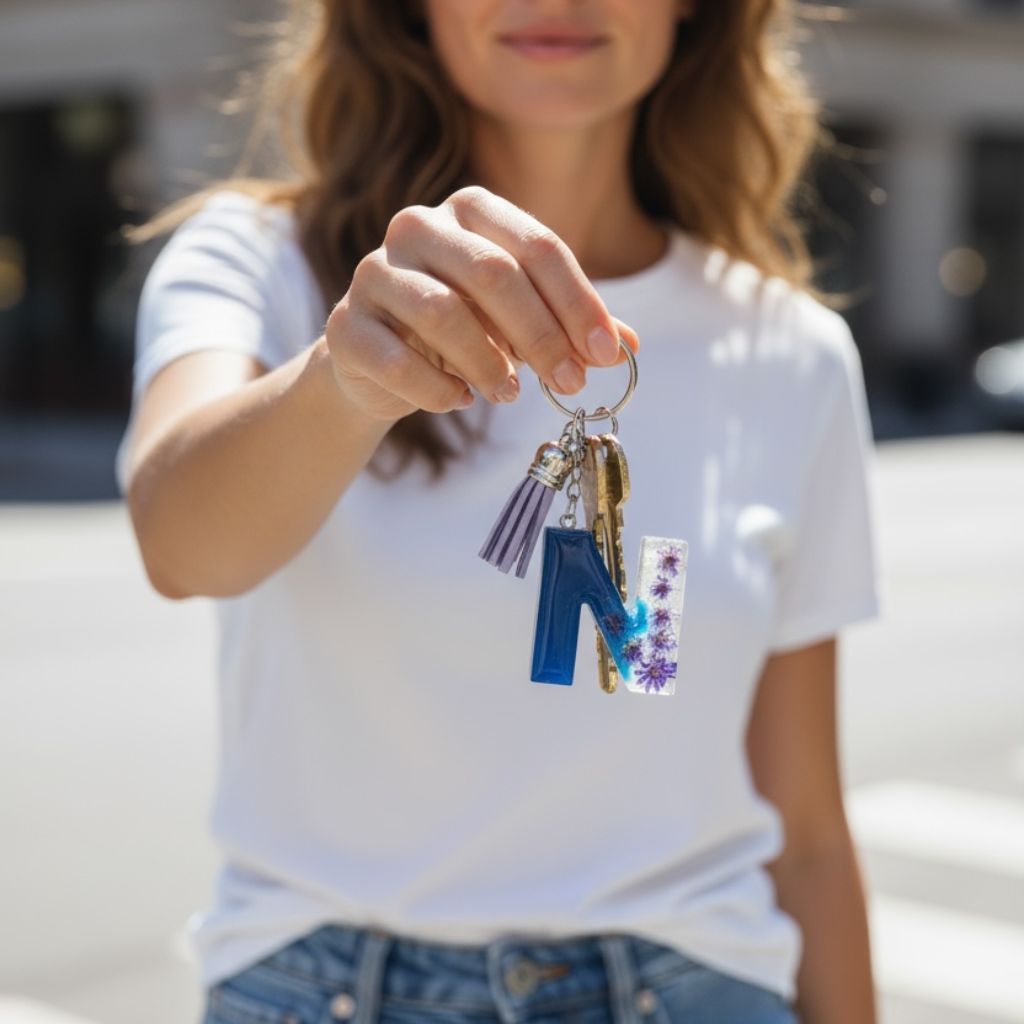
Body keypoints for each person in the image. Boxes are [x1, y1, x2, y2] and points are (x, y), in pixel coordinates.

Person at [115, 1, 884, 1021]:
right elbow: (179, 545)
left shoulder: (791, 352)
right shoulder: (260, 261)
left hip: (695, 987)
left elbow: (810, 835)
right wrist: (344, 380)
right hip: (331, 990)